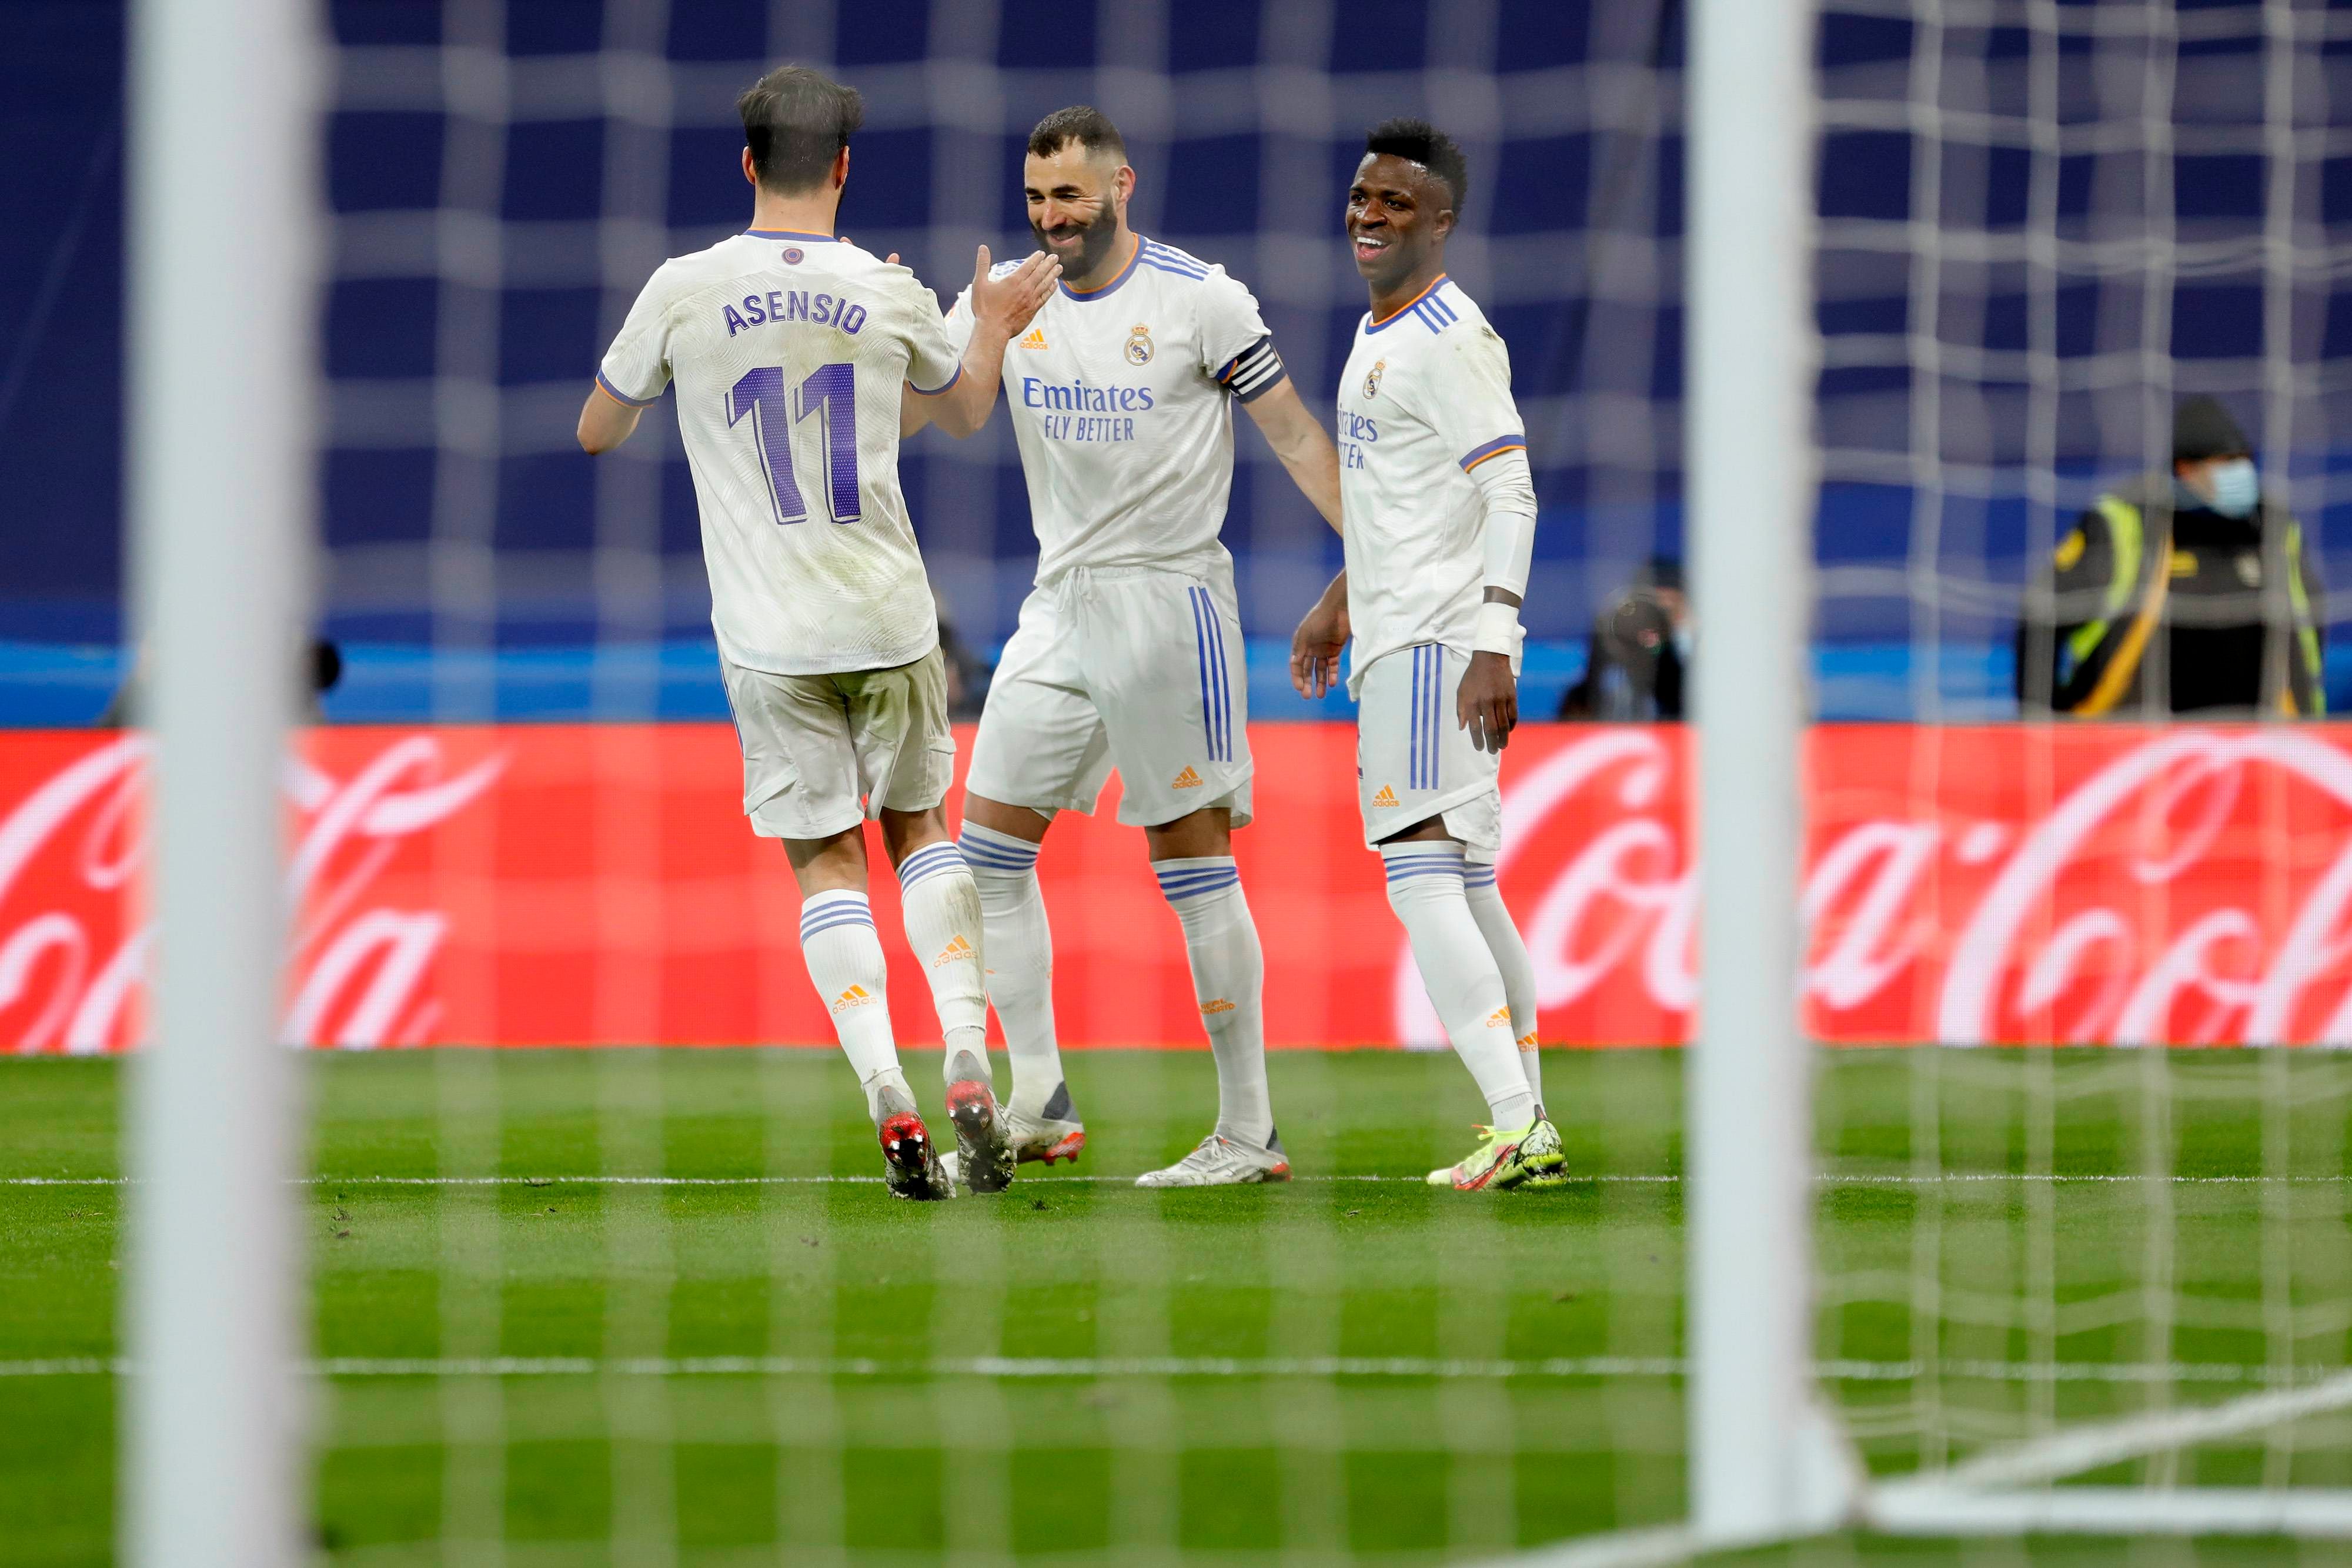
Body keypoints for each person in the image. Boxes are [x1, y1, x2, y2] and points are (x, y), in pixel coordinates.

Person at [577, 64, 1058, 1199]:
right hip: (889, 614)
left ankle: (885, 1081)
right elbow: (968, 405)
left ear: (746, 162)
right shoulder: (885, 292)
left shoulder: (683, 287)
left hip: (768, 631)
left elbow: (598, 429)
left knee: (824, 860)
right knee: (918, 827)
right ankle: (965, 1052)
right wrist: (983, 322)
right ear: (845, 167)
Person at [904, 106, 1343, 1186]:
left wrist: (1371, 570)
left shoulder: (1203, 298)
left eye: (1070, 196)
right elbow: (949, 416)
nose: (1052, 217)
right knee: (988, 851)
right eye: (1037, 198)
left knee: (1191, 863)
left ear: (1121, 186)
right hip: (1059, 606)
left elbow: (1294, 435)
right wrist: (979, 331)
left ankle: (1249, 1130)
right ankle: (1041, 1094)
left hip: (1169, 602)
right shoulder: (1011, 293)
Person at [1289, 120, 1564, 1192]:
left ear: (1441, 222)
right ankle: (1529, 1116)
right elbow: (1408, 498)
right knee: (1466, 876)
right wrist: (1338, 597)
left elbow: (1511, 489)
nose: (1370, 213)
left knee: (1418, 875)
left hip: (1438, 641)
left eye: (1396, 203)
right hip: (1403, 624)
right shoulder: (1381, 330)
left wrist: (1492, 640)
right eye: (1363, 196)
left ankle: (1513, 1118)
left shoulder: (1448, 337)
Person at [2017, 395, 2324, 717]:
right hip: (2129, 741)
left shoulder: (2273, 527)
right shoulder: (2126, 523)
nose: (2241, 471)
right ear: (2185, 468)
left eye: (2244, 459)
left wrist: (2307, 722)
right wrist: (2042, 720)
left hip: (2254, 742)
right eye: (2226, 462)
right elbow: (2040, 613)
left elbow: (2308, 630)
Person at [1558, 557, 1687, 720]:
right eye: (1650, 614)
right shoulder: (1592, 694)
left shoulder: (1700, 687)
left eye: (1670, 611)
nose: (1659, 624)